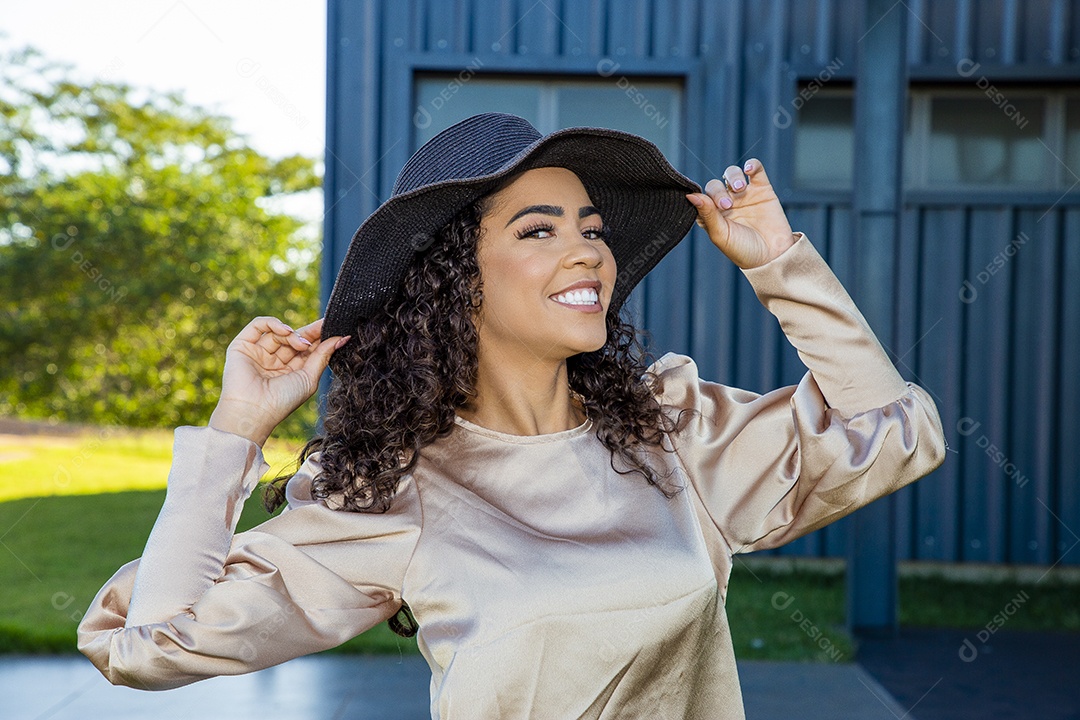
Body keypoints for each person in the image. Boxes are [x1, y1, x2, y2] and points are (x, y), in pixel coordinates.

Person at [77, 112, 946, 718]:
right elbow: (153, 643)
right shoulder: (393, 497)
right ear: (456, 280)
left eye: (593, 228)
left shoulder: (671, 434)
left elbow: (895, 435)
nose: (587, 251)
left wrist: (781, 265)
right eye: (539, 230)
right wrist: (237, 430)